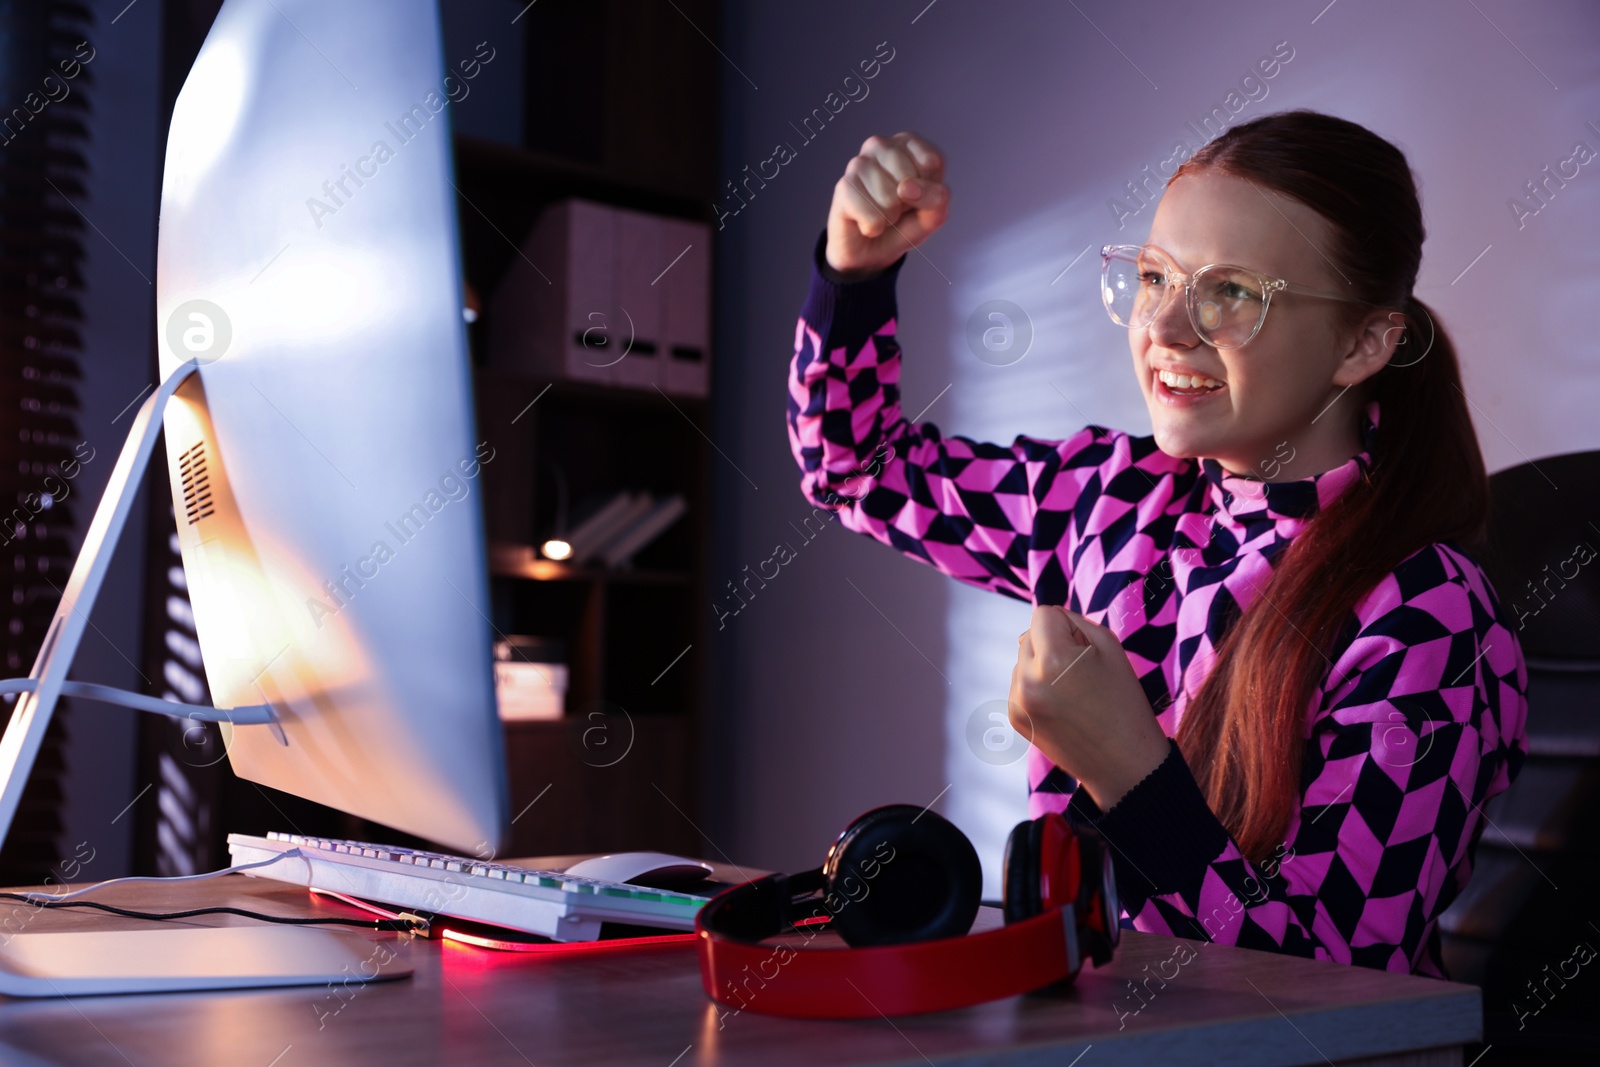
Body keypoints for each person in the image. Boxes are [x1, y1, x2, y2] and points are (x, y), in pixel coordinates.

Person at [785, 109, 1528, 977]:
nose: (1167, 330)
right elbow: (854, 465)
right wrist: (857, 274)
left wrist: (1131, 774)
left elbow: (1332, 981)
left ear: (1365, 342)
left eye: (1233, 292)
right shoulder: (1107, 496)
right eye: (1153, 278)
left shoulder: (1427, 615)